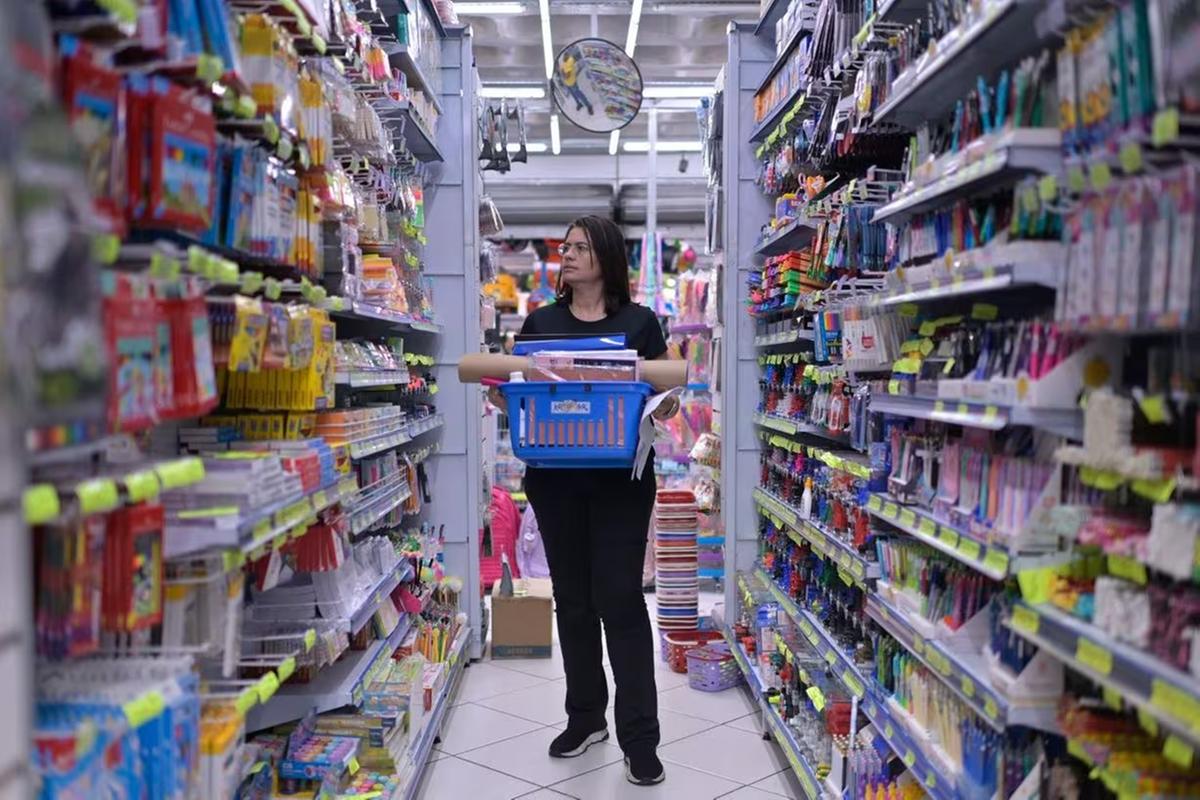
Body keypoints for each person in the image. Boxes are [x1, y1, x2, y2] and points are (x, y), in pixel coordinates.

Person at [493, 215, 679, 787]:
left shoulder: (639, 324)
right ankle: (585, 718)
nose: (566, 256)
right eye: (564, 248)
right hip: (554, 477)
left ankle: (640, 738)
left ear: (605, 257)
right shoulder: (541, 323)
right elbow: (514, 397)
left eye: (578, 247)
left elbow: (665, 392)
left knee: (619, 599)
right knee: (573, 601)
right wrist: (509, 402)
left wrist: (667, 405)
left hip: (621, 480)